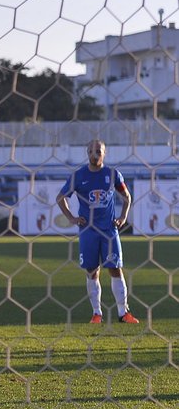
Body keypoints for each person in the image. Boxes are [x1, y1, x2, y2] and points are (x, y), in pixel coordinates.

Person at [56, 139, 139, 324]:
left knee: (115, 269)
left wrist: (123, 217)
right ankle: (97, 313)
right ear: (87, 153)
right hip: (88, 231)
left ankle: (123, 313)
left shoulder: (113, 174)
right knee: (92, 271)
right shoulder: (78, 176)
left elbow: (127, 197)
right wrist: (71, 218)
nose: (95, 155)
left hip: (109, 231)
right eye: (92, 151)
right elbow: (60, 198)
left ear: (104, 153)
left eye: (99, 152)